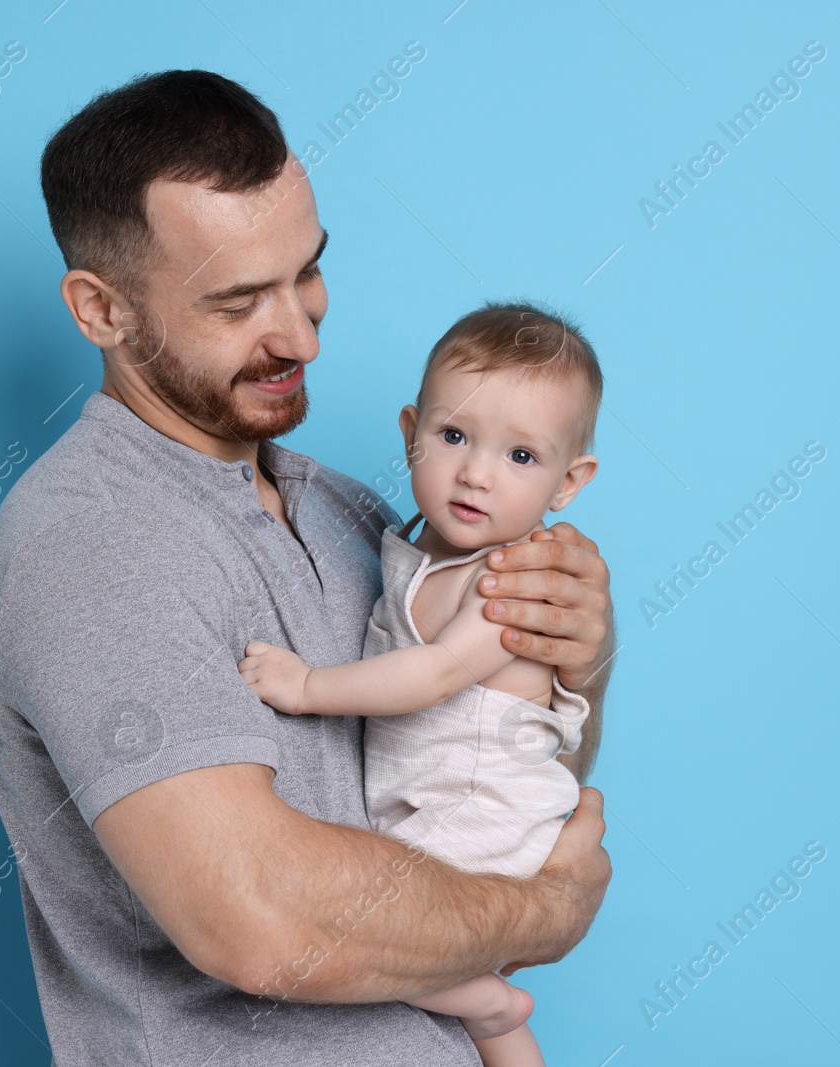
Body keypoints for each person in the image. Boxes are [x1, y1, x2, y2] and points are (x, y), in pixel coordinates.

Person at [0, 69, 617, 1065]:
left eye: (305, 272)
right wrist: (541, 909)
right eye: (238, 301)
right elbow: (259, 919)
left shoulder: (347, 509)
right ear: (101, 311)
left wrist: (578, 661)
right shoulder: (93, 542)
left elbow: (484, 767)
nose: (301, 333)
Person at [238, 301, 603, 1067]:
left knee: (363, 932)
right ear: (411, 432)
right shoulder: (410, 542)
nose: (475, 473)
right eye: (454, 436)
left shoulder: (511, 580)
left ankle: (493, 1007)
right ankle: (492, 1018)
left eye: (522, 457)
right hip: (430, 796)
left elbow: (434, 673)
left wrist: (306, 684)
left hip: (483, 809)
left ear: (570, 483)